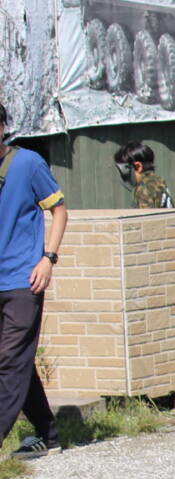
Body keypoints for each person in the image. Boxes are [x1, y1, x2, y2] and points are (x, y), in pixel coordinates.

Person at [0, 102, 69, 458]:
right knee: (19, 361)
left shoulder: (27, 163)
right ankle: (48, 434)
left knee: (9, 360)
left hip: (22, 280)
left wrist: (48, 258)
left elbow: (59, 210)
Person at [113, 141, 174, 209]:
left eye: (123, 170)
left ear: (138, 167)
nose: (122, 175)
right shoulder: (158, 181)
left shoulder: (145, 187)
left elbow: (144, 215)